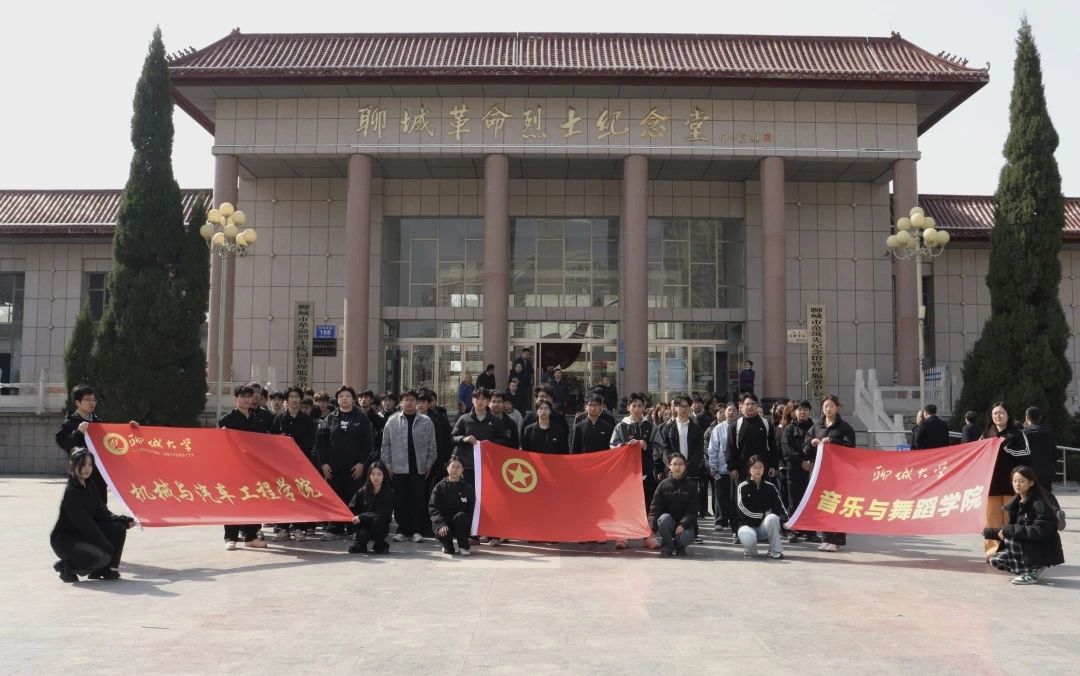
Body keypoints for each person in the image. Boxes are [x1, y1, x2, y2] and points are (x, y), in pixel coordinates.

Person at [50, 449, 136, 582]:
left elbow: (101, 511)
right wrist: (106, 546)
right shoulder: (72, 492)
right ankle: (66, 566)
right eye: (82, 464)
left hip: (83, 535)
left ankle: (107, 570)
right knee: (103, 557)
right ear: (73, 465)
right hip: (67, 540)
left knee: (118, 527)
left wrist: (123, 520)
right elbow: (86, 525)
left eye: (90, 464)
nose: (87, 468)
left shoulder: (90, 485)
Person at [984, 466, 1065, 585]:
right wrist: (985, 532)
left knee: (1011, 536)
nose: (1017, 484)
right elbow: (1015, 528)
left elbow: (1039, 531)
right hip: (1029, 545)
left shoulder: (1039, 503)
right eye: (1014, 481)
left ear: (1031, 483)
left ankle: (1032, 571)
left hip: (1043, 547)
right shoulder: (1017, 502)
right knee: (996, 560)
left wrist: (1008, 530)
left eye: (1021, 481)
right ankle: (1031, 569)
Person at [315, 386, 374, 541]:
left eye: (348, 396)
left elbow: (367, 443)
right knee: (334, 497)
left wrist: (361, 463)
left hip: (355, 467)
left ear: (353, 399)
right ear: (337, 399)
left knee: (354, 497)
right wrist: (323, 464)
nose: (344, 398)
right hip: (333, 467)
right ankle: (334, 528)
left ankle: (354, 528)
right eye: (341, 396)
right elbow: (321, 443)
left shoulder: (361, 418)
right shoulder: (330, 418)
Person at [218, 384, 271, 550]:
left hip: (253, 467)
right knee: (232, 500)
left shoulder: (257, 419)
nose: (247, 400)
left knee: (253, 500)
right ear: (235, 398)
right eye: (243, 396)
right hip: (233, 467)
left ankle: (251, 536)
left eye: (249, 396)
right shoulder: (227, 420)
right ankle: (230, 537)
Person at [381, 390, 437, 543]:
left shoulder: (426, 421)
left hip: (419, 468)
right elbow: (385, 445)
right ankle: (403, 530)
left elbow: (432, 445)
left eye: (412, 400)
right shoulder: (392, 421)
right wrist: (388, 465)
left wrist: (429, 464)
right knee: (400, 500)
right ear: (400, 402)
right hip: (398, 468)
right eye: (406, 400)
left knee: (418, 500)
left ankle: (417, 530)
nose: (409, 402)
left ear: (416, 402)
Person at [804, 394, 856, 552]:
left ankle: (837, 540)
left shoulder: (844, 427)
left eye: (832, 406)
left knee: (837, 504)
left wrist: (833, 441)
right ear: (822, 408)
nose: (829, 409)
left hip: (838, 472)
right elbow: (805, 447)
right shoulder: (816, 427)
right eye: (826, 406)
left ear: (837, 407)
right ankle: (826, 539)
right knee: (824, 504)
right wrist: (812, 443)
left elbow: (850, 447)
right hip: (820, 471)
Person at [610, 392, 660, 550]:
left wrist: (647, 446)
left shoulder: (651, 426)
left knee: (647, 505)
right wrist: (626, 446)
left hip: (646, 471)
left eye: (640, 406)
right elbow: (613, 447)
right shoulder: (621, 426)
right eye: (634, 406)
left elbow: (659, 448)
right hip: (626, 474)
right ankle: (623, 535)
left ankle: (648, 535)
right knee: (625, 504)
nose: (637, 409)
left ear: (645, 407)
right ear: (628, 408)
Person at [981, 403, 1029, 558]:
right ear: (991, 416)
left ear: (1008, 415)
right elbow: (977, 453)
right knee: (991, 519)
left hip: (1012, 483)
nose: (998, 416)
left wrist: (1006, 447)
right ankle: (993, 552)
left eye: (1001, 413)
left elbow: (1026, 452)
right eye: (995, 413)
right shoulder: (986, 434)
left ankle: (1011, 550)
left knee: (1011, 518)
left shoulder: (1017, 433)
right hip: (991, 482)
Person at [271, 386, 318, 541]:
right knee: (283, 495)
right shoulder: (279, 419)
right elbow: (272, 441)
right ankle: (283, 528)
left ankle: (299, 528)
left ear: (300, 399)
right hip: (282, 465)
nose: (294, 399)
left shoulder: (307, 421)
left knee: (299, 495)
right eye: (291, 397)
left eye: (296, 396)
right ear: (287, 400)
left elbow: (310, 443)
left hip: (300, 464)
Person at [657, 395, 707, 527]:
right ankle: (671, 527)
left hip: (691, 470)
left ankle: (691, 529)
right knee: (672, 500)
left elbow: (699, 450)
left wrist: (687, 466)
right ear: (675, 408)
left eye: (686, 406)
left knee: (691, 500)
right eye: (681, 406)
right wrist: (672, 464)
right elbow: (664, 449)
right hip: (673, 470)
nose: (684, 409)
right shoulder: (668, 428)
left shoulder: (696, 428)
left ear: (690, 408)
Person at [55, 385, 106, 504]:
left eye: (94, 400)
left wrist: (130, 429)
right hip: (80, 474)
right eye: (87, 399)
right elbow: (62, 441)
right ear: (77, 402)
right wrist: (78, 432)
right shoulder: (70, 422)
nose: (92, 403)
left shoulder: (97, 422)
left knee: (101, 507)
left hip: (99, 477)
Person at [736, 455, 789, 559]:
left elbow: (779, 506)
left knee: (773, 518)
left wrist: (785, 521)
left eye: (761, 467)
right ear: (749, 469)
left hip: (763, 528)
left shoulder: (770, 487)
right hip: (747, 526)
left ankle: (775, 551)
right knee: (748, 540)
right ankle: (750, 549)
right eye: (755, 467)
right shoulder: (742, 487)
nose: (758, 470)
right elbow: (743, 509)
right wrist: (763, 514)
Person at [1021, 407, 1066, 529]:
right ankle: (1056, 512)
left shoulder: (1025, 433)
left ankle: (1032, 520)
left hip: (1030, 470)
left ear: (1027, 418)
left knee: (1029, 495)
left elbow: (1022, 453)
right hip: (1047, 470)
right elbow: (1055, 453)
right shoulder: (1049, 432)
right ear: (1040, 417)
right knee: (1046, 493)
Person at [780, 400, 818, 543]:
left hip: (813, 470)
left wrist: (811, 462)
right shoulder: (789, 429)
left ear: (809, 411)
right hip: (794, 470)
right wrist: (802, 461)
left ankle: (810, 531)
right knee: (794, 501)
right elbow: (786, 449)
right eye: (799, 409)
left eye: (805, 409)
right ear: (794, 412)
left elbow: (820, 448)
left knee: (811, 501)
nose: (802, 412)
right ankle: (793, 530)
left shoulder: (815, 428)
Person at [451, 388, 504, 488]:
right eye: (477, 398)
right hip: (467, 465)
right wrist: (464, 439)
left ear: (488, 401)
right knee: (467, 493)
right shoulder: (464, 419)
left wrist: (491, 443)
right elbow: (453, 438)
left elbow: (503, 440)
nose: (480, 401)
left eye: (483, 399)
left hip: (488, 464)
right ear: (472, 400)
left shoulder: (495, 420)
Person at [648, 453, 698, 557]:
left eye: (681, 464)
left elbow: (692, 511)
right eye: (674, 464)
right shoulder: (663, 485)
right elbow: (655, 509)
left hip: (685, 526)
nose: (678, 467)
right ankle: (667, 547)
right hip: (668, 523)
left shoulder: (691, 486)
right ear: (669, 466)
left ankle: (679, 546)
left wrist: (682, 525)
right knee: (663, 519)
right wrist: (651, 528)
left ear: (685, 466)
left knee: (686, 537)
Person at [725, 393, 780, 482]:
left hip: (763, 470)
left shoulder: (766, 424)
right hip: (742, 471)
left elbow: (773, 447)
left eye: (753, 404)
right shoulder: (735, 425)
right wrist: (732, 468)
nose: (750, 406)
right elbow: (730, 448)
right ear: (741, 406)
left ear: (757, 406)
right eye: (747, 404)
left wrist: (773, 466)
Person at [429, 456, 475, 556]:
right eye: (452, 467)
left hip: (461, 523)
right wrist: (441, 524)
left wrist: (473, 525)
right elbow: (433, 508)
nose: (455, 470)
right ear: (447, 468)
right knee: (444, 534)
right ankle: (448, 547)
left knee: (461, 516)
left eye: (458, 467)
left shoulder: (467, 487)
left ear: (462, 469)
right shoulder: (439, 487)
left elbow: (472, 508)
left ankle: (463, 546)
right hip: (444, 522)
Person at [347, 460, 395, 554]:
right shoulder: (362, 492)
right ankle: (360, 545)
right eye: (373, 474)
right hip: (363, 525)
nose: (376, 477)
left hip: (379, 525)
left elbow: (383, 513)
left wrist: (361, 517)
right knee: (362, 535)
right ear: (369, 475)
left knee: (378, 521)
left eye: (379, 474)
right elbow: (352, 508)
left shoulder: (390, 493)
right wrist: (355, 519)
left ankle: (379, 544)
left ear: (384, 476)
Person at [707, 402, 739, 534]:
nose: (731, 412)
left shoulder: (740, 426)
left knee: (735, 496)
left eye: (733, 410)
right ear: (724, 412)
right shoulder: (718, 429)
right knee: (721, 495)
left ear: (738, 412)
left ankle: (735, 520)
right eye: (729, 410)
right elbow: (713, 449)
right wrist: (713, 466)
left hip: (736, 469)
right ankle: (720, 520)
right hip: (721, 467)